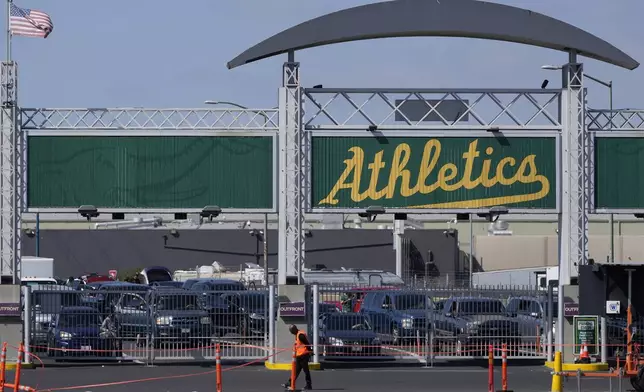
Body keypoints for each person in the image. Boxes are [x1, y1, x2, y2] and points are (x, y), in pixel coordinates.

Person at [282, 325, 312, 391]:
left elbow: (307, 344)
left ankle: (309, 385)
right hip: (299, 355)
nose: (291, 333)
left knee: (306, 371)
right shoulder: (297, 334)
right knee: (296, 371)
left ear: (294, 329)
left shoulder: (300, 335)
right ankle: (290, 382)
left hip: (303, 355)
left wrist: (310, 352)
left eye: (291, 331)